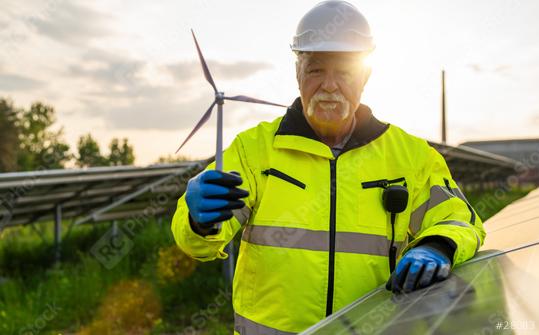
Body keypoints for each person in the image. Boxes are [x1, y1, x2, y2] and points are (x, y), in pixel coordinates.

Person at [172, 1, 486, 334]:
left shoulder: (410, 155)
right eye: (316, 70)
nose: (329, 86)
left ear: (365, 76)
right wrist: (198, 222)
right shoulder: (254, 150)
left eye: (344, 72)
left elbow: (459, 219)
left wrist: (437, 245)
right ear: (297, 73)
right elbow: (198, 246)